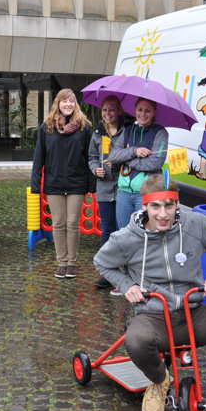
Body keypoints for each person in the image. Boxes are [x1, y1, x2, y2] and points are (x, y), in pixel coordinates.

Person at [94, 174, 206, 411]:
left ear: (177, 204)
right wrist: (127, 285)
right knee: (136, 339)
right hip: (154, 317)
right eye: (155, 206)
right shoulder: (127, 238)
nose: (163, 214)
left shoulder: (195, 224)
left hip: (194, 315)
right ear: (145, 206)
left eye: (169, 205)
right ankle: (160, 381)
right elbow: (102, 262)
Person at [30, 89, 92, 279]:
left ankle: (72, 262)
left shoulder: (84, 127)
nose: (68, 104)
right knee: (58, 223)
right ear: (57, 103)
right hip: (54, 182)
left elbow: (90, 156)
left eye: (71, 101)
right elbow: (38, 157)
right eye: (64, 101)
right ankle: (62, 262)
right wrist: (35, 185)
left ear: (76, 104)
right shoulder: (47, 127)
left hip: (76, 182)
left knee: (72, 223)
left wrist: (92, 185)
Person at [108, 98, 169, 230]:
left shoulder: (160, 132)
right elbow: (113, 156)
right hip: (124, 192)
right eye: (140, 110)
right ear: (135, 110)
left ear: (154, 113)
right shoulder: (128, 130)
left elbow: (154, 163)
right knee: (123, 234)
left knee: (145, 234)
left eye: (147, 110)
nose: (143, 114)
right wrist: (134, 151)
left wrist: (127, 159)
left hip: (147, 194)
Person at [88, 95, 125, 290]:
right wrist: (95, 169)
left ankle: (124, 274)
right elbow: (92, 157)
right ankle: (108, 273)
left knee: (122, 231)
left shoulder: (126, 131)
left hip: (122, 186)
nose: (108, 113)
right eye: (104, 110)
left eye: (112, 109)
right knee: (107, 231)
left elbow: (131, 154)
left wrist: (117, 162)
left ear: (119, 111)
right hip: (103, 187)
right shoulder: (97, 133)